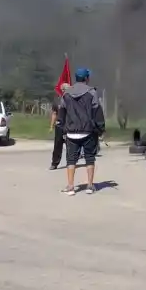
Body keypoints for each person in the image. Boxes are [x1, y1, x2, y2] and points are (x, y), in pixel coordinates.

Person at [57, 68, 105, 196]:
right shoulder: (92, 92)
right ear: (86, 78)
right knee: (89, 158)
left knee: (71, 160)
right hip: (88, 131)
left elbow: (61, 113)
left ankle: (71, 187)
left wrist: (62, 128)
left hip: (71, 132)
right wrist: (100, 129)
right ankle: (90, 186)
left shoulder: (66, 94)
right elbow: (97, 112)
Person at [49, 84, 69, 170]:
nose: (65, 91)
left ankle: (71, 163)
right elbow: (54, 114)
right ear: (62, 90)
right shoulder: (57, 101)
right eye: (64, 89)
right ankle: (54, 163)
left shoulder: (72, 100)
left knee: (70, 146)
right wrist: (51, 126)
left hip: (69, 126)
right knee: (57, 145)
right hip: (59, 126)